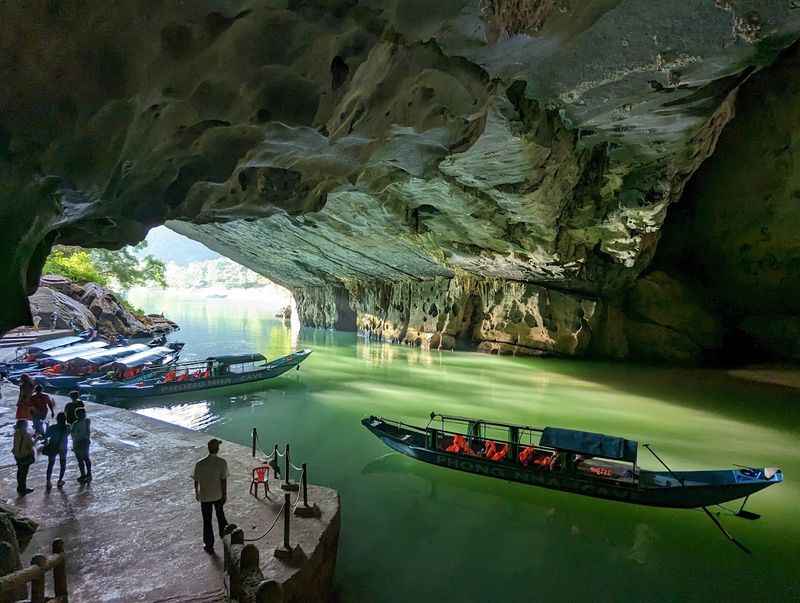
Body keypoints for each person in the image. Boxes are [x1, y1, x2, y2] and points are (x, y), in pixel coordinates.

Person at [193, 438, 229, 554]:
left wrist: (197, 492)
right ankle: (226, 539)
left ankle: (209, 545)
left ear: (208, 449)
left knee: (207, 521)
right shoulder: (222, 462)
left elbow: (196, 480)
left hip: (205, 496)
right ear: (217, 449)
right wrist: (224, 494)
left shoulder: (199, 464)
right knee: (220, 517)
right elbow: (223, 480)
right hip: (217, 495)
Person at [44, 412, 69, 489]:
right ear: (65, 419)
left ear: (57, 419)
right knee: (63, 464)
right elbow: (68, 434)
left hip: (53, 447)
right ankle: (60, 481)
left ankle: (48, 482)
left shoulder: (53, 427)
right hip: (63, 447)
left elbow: (46, 435)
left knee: (51, 464)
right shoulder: (68, 427)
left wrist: (47, 426)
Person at [13, 420, 35, 495]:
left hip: (17, 455)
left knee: (19, 472)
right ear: (24, 426)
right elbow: (31, 445)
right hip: (24, 456)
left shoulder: (16, 433)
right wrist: (37, 438)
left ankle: (19, 488)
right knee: (24, 473)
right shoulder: (26, 434)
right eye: (26, 425)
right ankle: (23, 489)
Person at [71, 407, 92, 483]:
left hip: (81, 442)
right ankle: (86, 474)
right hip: (82, 442)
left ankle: (86, 474)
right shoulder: (86, 421)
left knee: (83, 459)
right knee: (83, 459)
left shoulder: (79, 423)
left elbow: (73, 434)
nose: (81, 415)